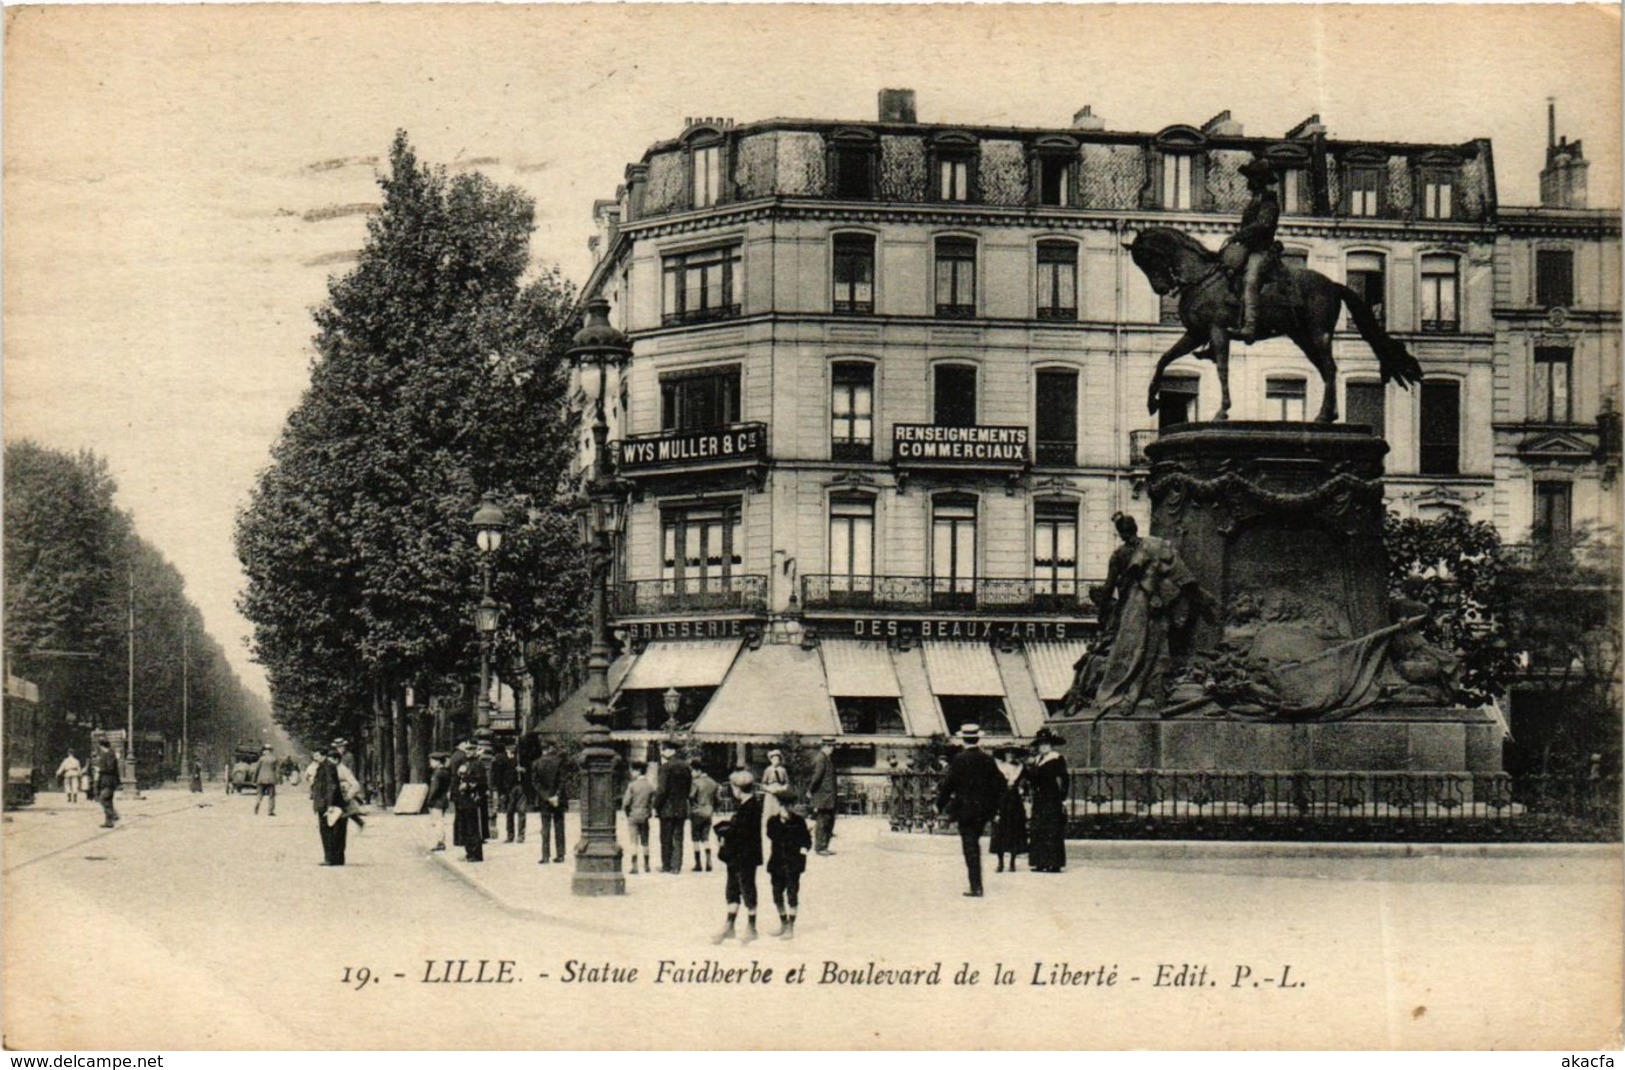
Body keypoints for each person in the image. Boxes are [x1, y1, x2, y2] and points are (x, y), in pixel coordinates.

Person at [934, 724, 1004, 897]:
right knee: (975, 843)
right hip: (982, 811)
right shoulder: (987, 759)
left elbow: (949, 784)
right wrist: (994, 806)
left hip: (965, 810)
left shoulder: (959, 759)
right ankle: (976, 885)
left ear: (963, 739)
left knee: (970, 846)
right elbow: (1000, 783)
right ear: (978, 739)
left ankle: (976, 886)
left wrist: (939, 804)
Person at [1222, 157, 1281, 342]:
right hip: (1247, 249)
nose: (1248, 183)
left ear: (1258, 181)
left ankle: (1250, 326)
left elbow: (1262, 225)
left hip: (1261, 251)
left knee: (1250, 280)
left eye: (1251, 178)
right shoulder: (1254, 202)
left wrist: (1238, 236)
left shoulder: (1269, 203)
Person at [712, 770, 764, 945]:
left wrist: (724, 831)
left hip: (745, 856)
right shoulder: (747, 805)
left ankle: (752, 927)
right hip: (736, 856)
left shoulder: (751, 807)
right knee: (732, 889)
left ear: (738, 788)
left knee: (747, 889)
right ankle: (730, 925)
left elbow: (741, 831)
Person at [766, 787, 813, 939]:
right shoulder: (772, 821)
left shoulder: (799, 821)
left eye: (789, 805)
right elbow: (772, 835)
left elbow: (807, 840)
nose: (786, 808)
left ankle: (791, 928)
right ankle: (783, 923)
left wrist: (804, 849)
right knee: (776, 895)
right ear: (779, 805)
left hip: (793, 864)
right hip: (777, 863)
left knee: (792, 894)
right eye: (783, 805)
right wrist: (782, 822)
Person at [1026, 728, 1069, 873]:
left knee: (1052, 829)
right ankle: (1039, 861)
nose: (1043, 746)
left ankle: (1054, 863)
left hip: (1052, 797)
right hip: (1039, 798)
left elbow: (1064, 778)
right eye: (1041, 744)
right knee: (1038, 828)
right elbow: (1032, 779)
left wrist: (1063, 798)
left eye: (1046, 743)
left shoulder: (1056, 758)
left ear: (1051, 745)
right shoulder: (1037, 760)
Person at [653, 740, 691, 874]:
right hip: (681, 807)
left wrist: (655, 805)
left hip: (667, 808)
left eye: (664, 750)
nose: (662, 753)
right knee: (678, 837)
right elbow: (688, 788)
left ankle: (666, 865)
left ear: (670, 750)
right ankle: (676, 866)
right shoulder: (686, 767)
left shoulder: (665, 767)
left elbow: (661, 790)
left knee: (666, 837)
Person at [990, 747, 1028, 874]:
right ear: (1004, 755)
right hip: (1001, 800)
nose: (1010, 756)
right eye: (1007, 753)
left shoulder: (1020, 768)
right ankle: (1000, 862)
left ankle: (1012, 862)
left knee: (1014, 830)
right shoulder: (998, 767)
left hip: (1015, 801)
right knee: (999, 830)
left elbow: (1027, 782)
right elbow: (993, 784)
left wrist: (1022, 787)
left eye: (1012, 753)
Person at [530, 742, 569, 865]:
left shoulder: (536, 763)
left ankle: (545, 856)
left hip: (544, 800)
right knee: (559, 826)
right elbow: (562, 780)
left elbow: (535, 783)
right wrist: (556, 795)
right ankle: (560, 854)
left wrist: (546, 796)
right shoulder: (559, 761)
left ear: (542, 750)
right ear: (551, 748)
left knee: (545, 827)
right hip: (558, 799)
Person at [309, 748, 348, 866]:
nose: (314, 757)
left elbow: (331, 786)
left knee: (328, 832)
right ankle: (337, 858)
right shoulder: (326, 766)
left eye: (316, 755)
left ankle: (330, 858)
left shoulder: (327, 766)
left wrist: (330, 804)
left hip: (326, 804)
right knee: (336, 832)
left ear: (323, 755)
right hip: (328, 803)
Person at [806, 736, 838, 855]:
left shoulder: (826, 758)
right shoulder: (821, 759)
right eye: (831, 746)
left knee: (828, 821)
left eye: (832, 746)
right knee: (822, 821)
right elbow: (816, 777)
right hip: (823, 796)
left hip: (828, 797)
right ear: (825, 746)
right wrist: (810, 790)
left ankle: (824, 846)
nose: (832, 749)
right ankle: (820, 848)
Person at [452, 757, 488, 863]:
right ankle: (469, 853)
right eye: (467, 749)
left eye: (471, 749)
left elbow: (480, 782)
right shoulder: (465, 763)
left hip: (471, 800)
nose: (468, 752)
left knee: (472, 828)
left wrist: (467, 786)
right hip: (462, 801)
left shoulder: (478, 765)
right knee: (465, 829)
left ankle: (476, 854)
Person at [621, 763, 654, 875]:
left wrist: (628, 814)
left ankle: (634, 866)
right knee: (645, 841)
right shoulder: (650, 786)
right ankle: (647, 864)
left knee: (633, 841)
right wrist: (648, 812)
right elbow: (652, 802)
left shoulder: (632, 785)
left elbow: (625, 803)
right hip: (645, 815)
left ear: (638, 771)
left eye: (633, 771)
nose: (632, 773)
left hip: (634, 815)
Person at [688, 766, 720, 873]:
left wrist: (692, 807)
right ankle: (709, 861)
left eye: (693, 771)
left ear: (699, 771)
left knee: (696, 838)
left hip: (697, 812)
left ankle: (698, 863)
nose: (692, 773)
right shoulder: (713, 782)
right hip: (708, 812)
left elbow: (691, 796)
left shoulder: (695, 782)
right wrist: (712, 808)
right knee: (706, 838)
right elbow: (717, 799)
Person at [489, 740, 517, 843]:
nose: (514, 747)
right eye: (512, 745)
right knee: (509, 811)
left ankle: (519, 835)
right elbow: (497, 775)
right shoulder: (500, 757)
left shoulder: (519, 757)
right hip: (506, 788)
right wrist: (500, 791)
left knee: (520, 812)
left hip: (517, 787)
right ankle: (510, 834)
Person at [425, 751, 452, 853]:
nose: (430, 763)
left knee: (437, 822)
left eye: (432, 761)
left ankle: (440, 842)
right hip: (443, 799)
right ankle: (440, 841)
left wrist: (429, 800)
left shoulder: (437, 773)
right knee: (439, 821)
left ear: (437, 761)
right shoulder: (445, 772)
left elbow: (434, 789)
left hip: (437, 801)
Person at [91, 739, 121, 829]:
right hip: (105, 780)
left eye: (99, 746)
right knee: (108, 801)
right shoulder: (107, 754)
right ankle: (109, 822)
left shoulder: (109, 754)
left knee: (103, 799)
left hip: (109, 781)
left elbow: (110, 768)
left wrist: (99, 769)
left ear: (102, 746)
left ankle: (113, 815)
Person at [761, 748, 790, 821]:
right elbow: (763, 783)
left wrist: (783, 788)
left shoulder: (783, 770)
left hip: (779, 791)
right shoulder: (768, 770)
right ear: (771, 760)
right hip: (770, 792)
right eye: (773, 759)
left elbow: (787, 782)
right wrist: (768, 789)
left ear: (780, 760)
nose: (775, 761)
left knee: (780, 810)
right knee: (769, 812)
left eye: (777, 759)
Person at [252, 745, 279, 816]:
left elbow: (257, 769)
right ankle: (270, 811)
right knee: (271, 796)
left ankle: (257, 803)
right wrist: (278, 779)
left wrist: (254, 779)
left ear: (265, 751)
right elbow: (277, 770)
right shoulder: (274, 759)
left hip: (261, 779)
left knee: (260, 794)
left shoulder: (261, 759)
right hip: (271, 779)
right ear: (271, 751)